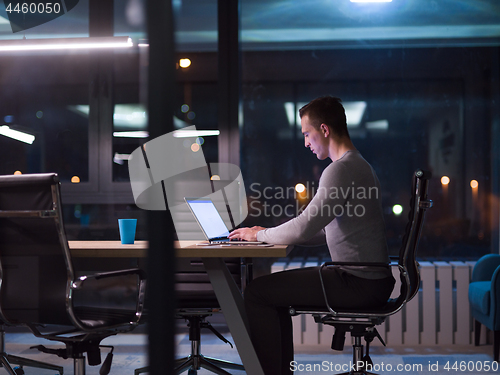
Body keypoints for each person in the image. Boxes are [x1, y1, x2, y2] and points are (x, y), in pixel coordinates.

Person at [228, 96, 395, 375]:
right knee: (271, 294)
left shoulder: (340, 170)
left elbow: (305, 225)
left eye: (307, 133)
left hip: (357, 282)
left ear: (325, 130)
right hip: (370, 279)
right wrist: (269, 234)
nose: (305, 142)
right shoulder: (358, 165)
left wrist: (260, 235)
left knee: (258, 293)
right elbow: (320, 229)